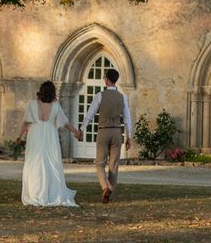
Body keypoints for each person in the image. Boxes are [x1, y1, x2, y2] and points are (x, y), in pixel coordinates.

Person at [18, 80, 83, 207]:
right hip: (50, 134)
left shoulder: (32, 104)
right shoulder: (55, 106)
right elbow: (65, 123)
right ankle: (50, 192)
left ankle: (35, 193)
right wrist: (76, 132)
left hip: (35, 134)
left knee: (35, 162)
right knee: (50, 162)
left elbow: (26, 122)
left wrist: (19, 136)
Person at [79, 68, 132, 204]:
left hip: (103, 131)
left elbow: (90, 115)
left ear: (107, 80)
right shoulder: (122, 97)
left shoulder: (100, 95)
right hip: (116, 132)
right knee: (113, 164)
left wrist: (82, 129)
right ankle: (111, 193)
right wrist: (129, 136)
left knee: (99, 163)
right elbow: (127, 118)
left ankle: (105, 187)